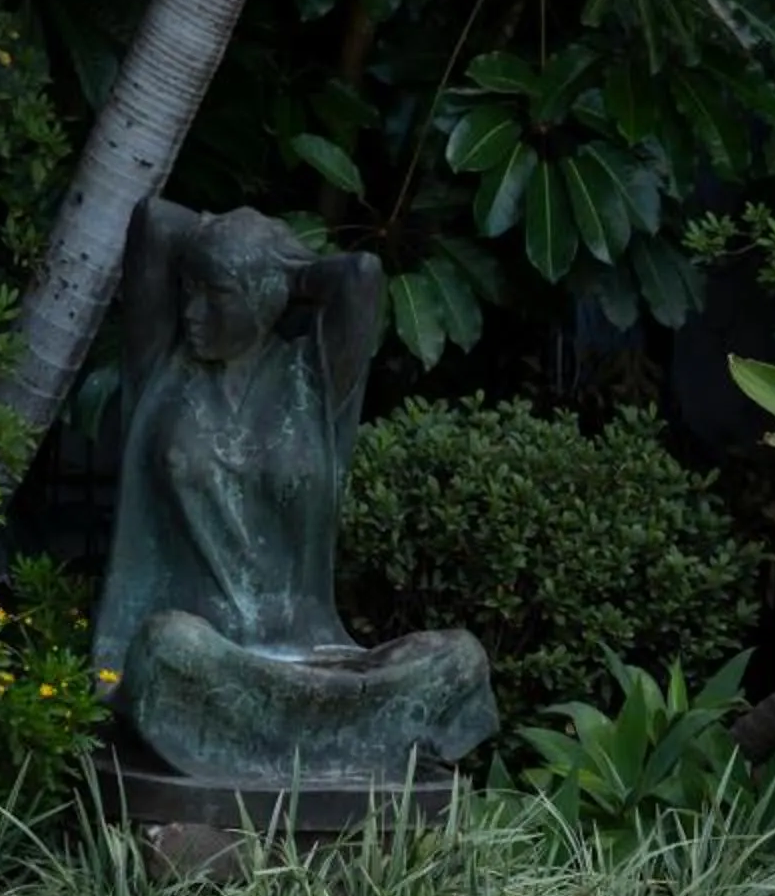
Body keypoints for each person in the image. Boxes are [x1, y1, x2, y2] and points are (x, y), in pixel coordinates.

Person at [92, 198, 496, 784]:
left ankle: (285, 743)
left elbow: (360, 276)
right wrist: (223, 242)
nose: (194, 310)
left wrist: (285, 268)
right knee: (165, 646)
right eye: (188, 290)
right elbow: (155, 221)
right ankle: (336, 745)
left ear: (264, 298)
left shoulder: (315, 378)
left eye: (217, 294)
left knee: (461, 657)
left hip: (309, 659)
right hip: (203, 657)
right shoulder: (162, 362)